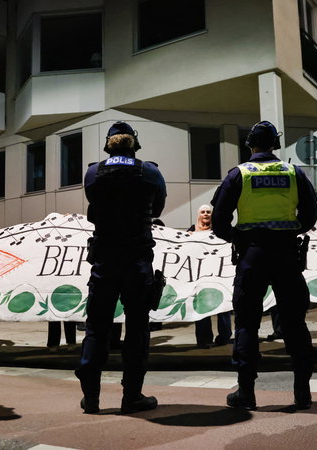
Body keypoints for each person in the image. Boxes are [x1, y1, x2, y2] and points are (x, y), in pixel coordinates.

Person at [211, 120, 317, 410]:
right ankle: (302, 393)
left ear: (250, 145)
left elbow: (218, 220)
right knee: (295, 322)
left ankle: (246, 392)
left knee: (247, 323)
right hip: (286, 254)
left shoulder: (239, 174)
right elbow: (310, 216)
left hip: (252, 255)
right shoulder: (294, 173)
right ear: (276, 144)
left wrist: (238, 237)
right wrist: (289, 230)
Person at [76, 121, 166, 414]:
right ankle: (132, 397)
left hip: (104, 261)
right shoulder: (149, 171)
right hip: (137, 261)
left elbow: (93, 203)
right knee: (137, 328)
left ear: (108, 144)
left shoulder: (93, 172)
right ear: (134, 144)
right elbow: (158, 208)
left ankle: (91, 397)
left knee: (97, 328)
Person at [188, 204, 232, 347]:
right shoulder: (191, 232)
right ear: (198, 214)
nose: (206, 214)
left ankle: (224, 337)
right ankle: (204, 340)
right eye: (203, 212)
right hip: (199, 276)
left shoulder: (218, 231)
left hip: (218, 274)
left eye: (208, 212)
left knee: (223, 306)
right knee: (201, 307)